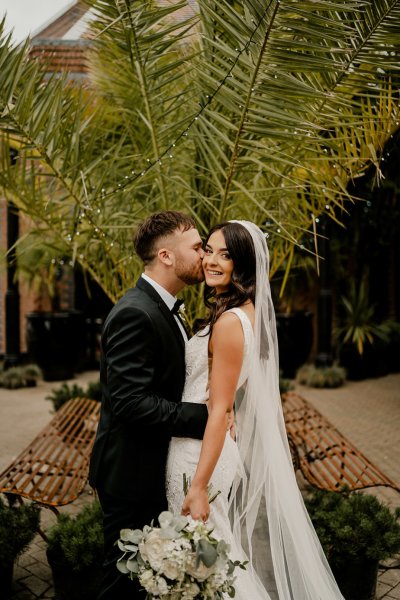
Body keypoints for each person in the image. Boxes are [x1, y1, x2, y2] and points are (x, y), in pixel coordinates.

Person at [166, 220, 345, 599]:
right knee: (208, 563)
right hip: (199, 446)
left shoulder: (231, 322)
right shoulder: (236, 311)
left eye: (225, 255)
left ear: (243, 264)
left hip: (200, 457)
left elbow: (219, 409)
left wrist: (198, 486)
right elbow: (223, 399)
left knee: (209, 565)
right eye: (209, 250)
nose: (212, 261)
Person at [89, 211, 210, 600]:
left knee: (146, 581)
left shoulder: (163, 307)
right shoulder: (134, 313)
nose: (205, 255)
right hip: (130, 477)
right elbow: (131, 403)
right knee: (121, 583)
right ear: (166, 256)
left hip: (150, 471)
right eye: (196, 247)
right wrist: (205, 418)